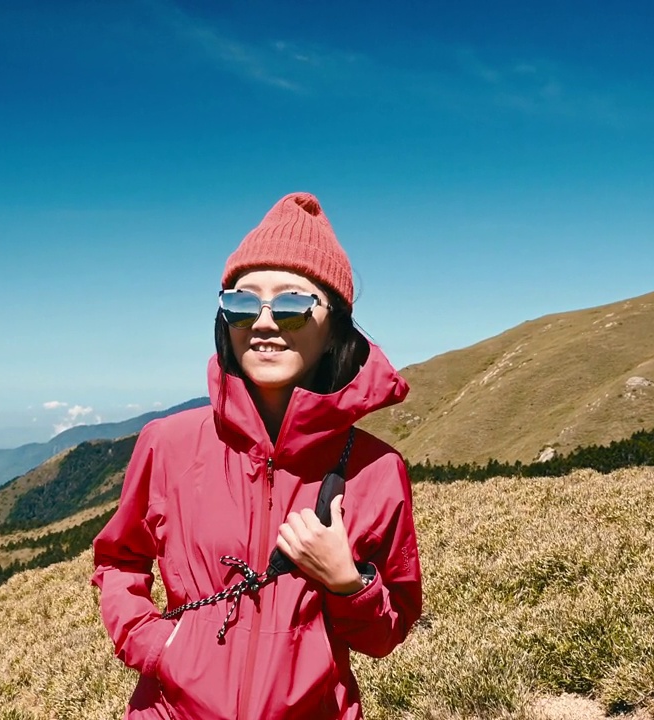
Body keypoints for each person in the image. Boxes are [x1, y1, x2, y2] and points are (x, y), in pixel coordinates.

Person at [91, 192, 423, 719]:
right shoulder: (167, 443)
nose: (264, 323)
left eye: (292, 305)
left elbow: (389, 631)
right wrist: (155, 645)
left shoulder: (378, 471)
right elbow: (118, 560)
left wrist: (348, 583)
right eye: (242, 303)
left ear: (335, 323)